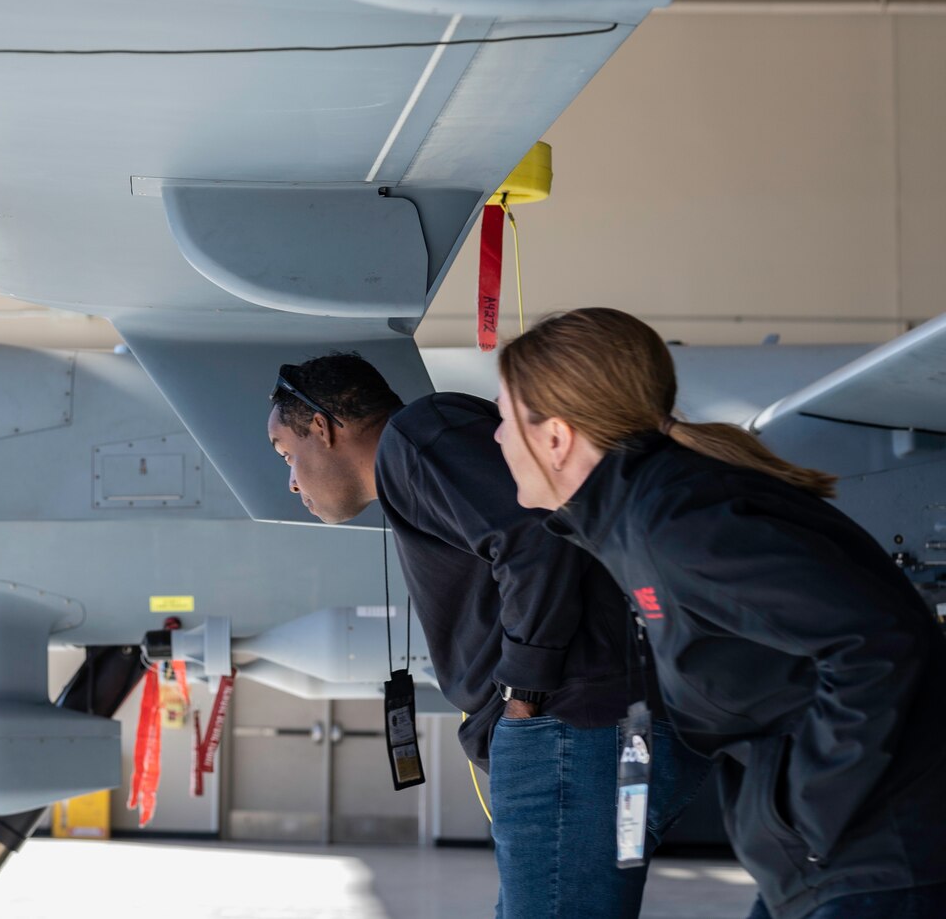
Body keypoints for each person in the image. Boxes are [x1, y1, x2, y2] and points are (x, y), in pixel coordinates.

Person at [496, 308, 946, 919]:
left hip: (875, 863)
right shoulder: (645, 515)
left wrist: (807, 813)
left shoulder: (675, 521)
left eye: (503, 419)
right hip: (833, 862)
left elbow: (878, 640)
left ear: (555, 436)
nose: (496, 438)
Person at [267, 354, 705, 918]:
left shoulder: (421, 436)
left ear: (322, 428)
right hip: (587, 730)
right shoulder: (418, 458)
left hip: (572, 728)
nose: (291, 480)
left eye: (287, 454)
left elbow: (535, 539)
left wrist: (522, 695)